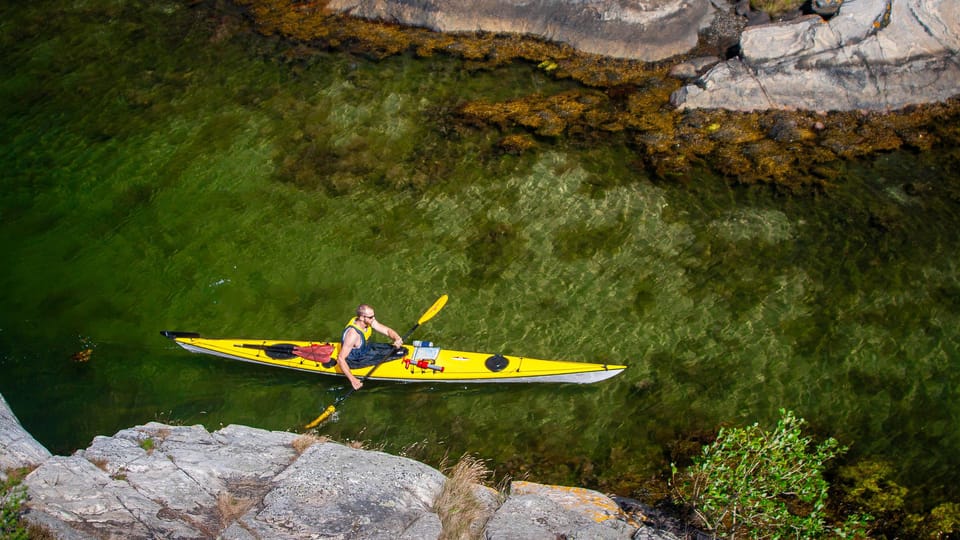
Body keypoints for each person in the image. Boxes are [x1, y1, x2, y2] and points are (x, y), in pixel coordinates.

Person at [337, 304, 403, 390]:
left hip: (365, 348)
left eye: (373, 316)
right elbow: (340, 359)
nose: (374, 319)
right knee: (391, 355)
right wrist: (353, 380)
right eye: (371, 317)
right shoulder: (352, 335)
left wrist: (397, 338)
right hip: (356, 359)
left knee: (400, 350)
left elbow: (386, 330)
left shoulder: (368, 321)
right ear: (361, 318)